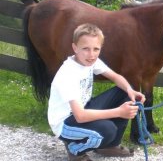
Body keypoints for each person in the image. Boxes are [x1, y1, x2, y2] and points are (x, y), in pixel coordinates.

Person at [48, 23, 146, 161]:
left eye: (96, 49)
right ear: (75, 48)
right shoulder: (68, 74)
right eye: (86, 49)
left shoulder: (90, 61)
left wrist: (131, 90)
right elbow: (80, 116)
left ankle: (109, 146)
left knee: (125, 92)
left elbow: (116, 77)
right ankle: (75, 149)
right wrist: (119, 112)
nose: (91, 54)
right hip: (65, 123)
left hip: (83, 108)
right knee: (108, 130)